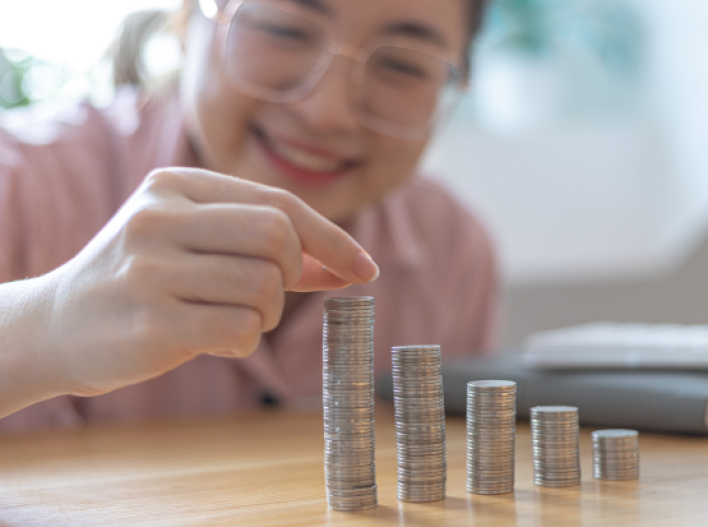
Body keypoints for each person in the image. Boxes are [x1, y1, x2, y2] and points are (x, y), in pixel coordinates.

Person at [0, 0, 496, 430]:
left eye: (404, 65)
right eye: (284, 27)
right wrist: (46, 324)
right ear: (185, 20)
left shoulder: (454, 251)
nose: (326, 112)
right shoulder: (18, 183)